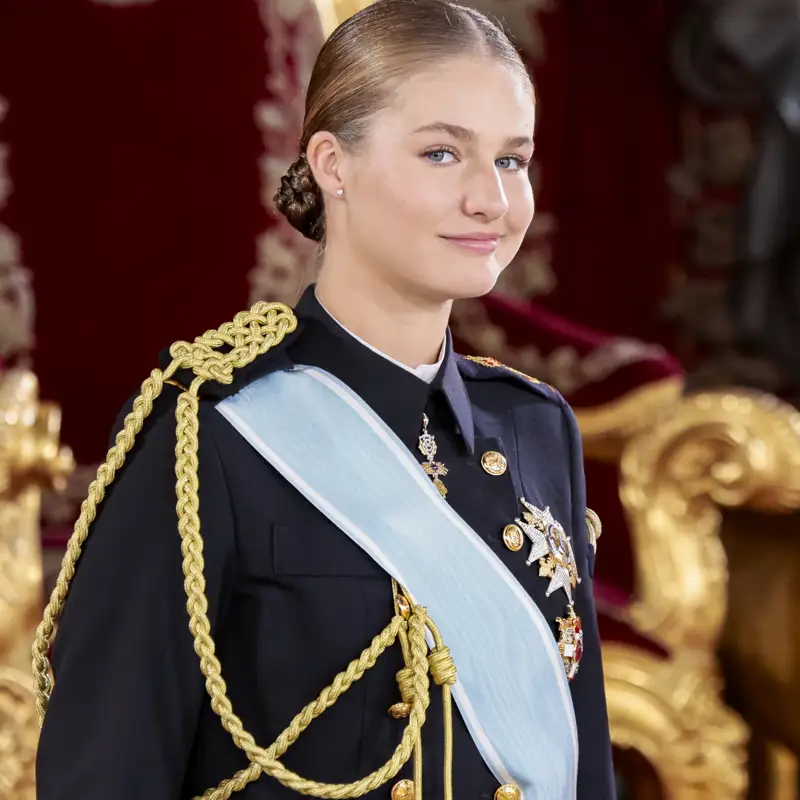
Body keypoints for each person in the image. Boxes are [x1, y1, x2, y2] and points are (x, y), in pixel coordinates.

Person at [33, 1, 615, 798]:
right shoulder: (211, 435)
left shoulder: (535, 428)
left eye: (512, 161)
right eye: (443, 153)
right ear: (333, 164)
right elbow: (107, 773)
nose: (491, 200)